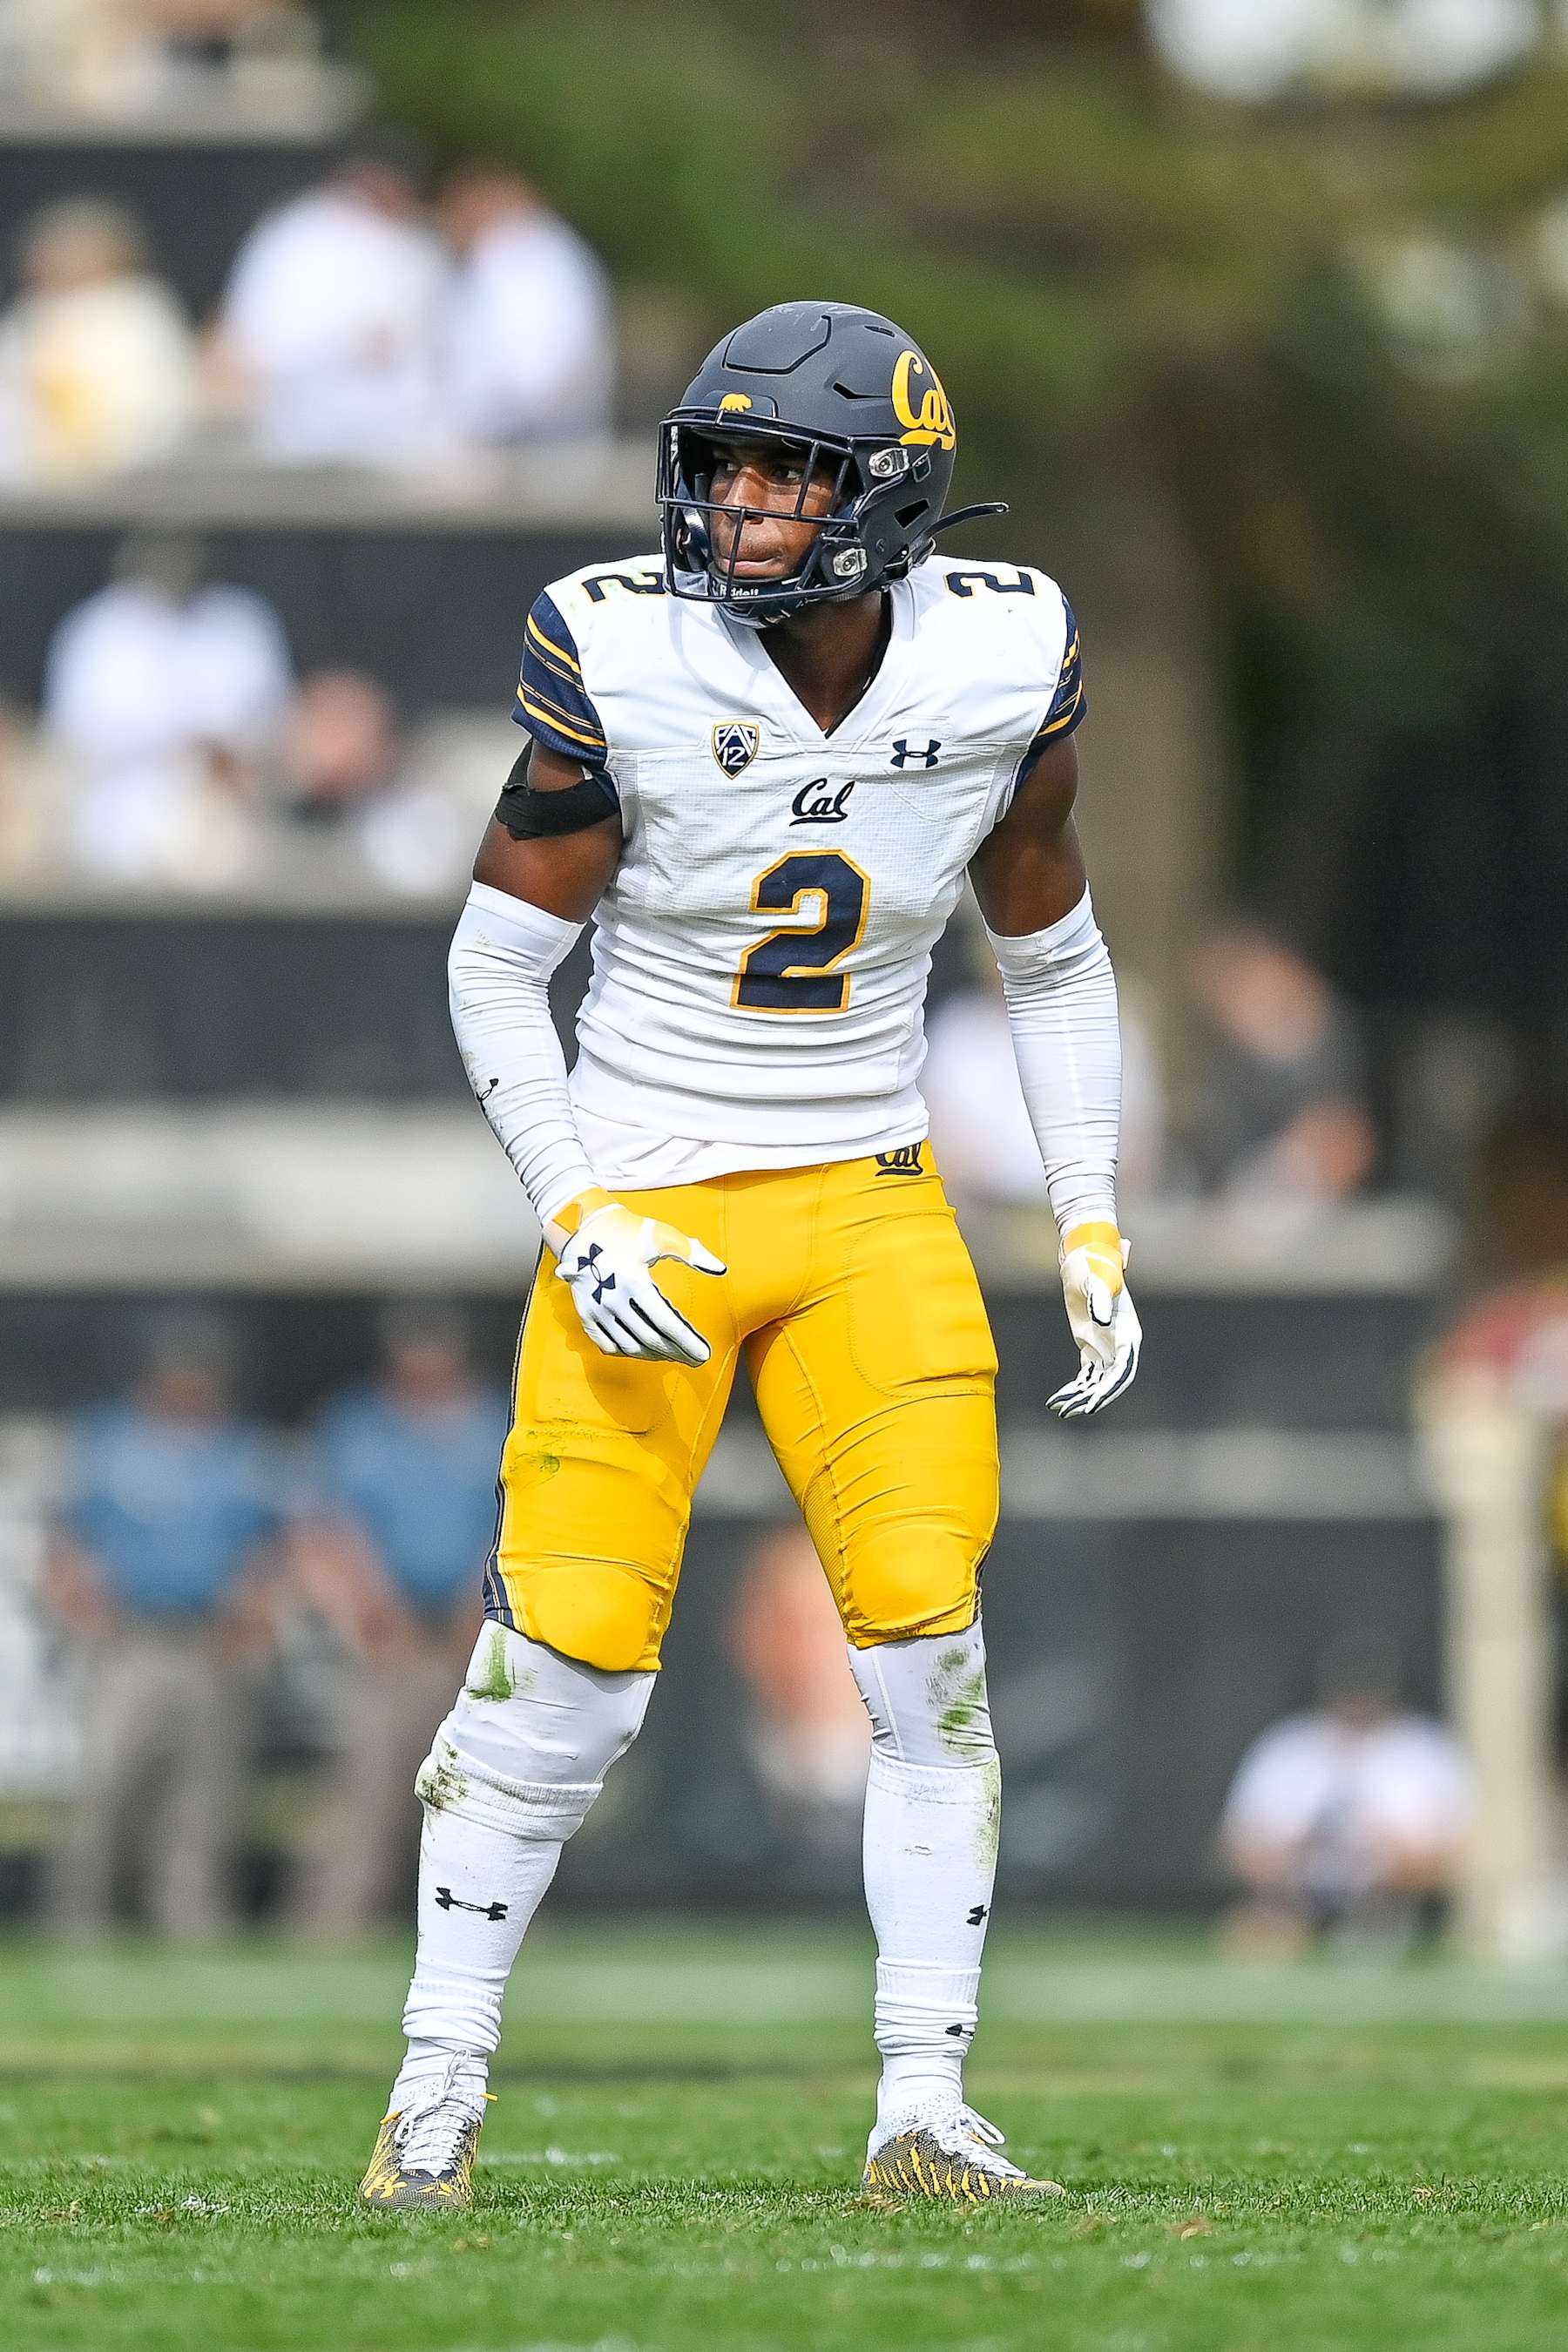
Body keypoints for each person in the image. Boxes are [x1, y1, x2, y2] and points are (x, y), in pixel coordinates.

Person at [360, 300, 1141, 2213]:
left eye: (790, 472)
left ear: (890, 492)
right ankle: (433, 2091)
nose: (744, 508)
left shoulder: (1007, 649)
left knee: (931, 1660)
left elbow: (1049, 948)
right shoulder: (618, 644)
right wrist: (575, 1202)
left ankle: (921, 2110)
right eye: (721, 466)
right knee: (565, 1675)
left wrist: (1093, 1201)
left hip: (871, 1194)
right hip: (650, 1185)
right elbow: (492, 966)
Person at [45, 1315, 281, 1938]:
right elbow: (68, 1540)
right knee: (105, 1787)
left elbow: (268, 1547)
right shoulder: (109, 1441)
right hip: (132, 1640)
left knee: (204, 1802)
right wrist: (79, 1607)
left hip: (211, 1641)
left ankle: (190, 1927)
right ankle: (79, 1924)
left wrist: (256, 1612)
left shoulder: (237, 1451)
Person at [289, 1306, 510, 1936]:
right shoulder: (359, 1426)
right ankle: (328, 1930)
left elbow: (521, 1516)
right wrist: (366, 1605)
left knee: (491, 1791)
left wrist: (486, 1603)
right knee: (364, 1789)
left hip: (483, 1632)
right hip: (387, 1638)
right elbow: (328, 1528)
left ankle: (494, 1927)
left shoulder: (498, 1417)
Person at [41, 530, 293, 889]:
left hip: (222, 821)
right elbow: (70, 744)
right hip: (116, 820)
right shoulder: (99, 626)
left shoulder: (240, 621)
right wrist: (171, 743)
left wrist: (218, 753)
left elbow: (272, 737)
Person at [1220, 1639, 1477, 1955]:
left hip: (1396, 1903)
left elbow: (1461, 1852)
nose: (1358, 1702)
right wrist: (1289, 1860)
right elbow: (1237, 1844)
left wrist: (1386, 1854)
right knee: (1252, 1944)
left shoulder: (1424, 1750)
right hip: (1301, 1897)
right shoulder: (1290, 1746)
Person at [214, 127, 450, 466]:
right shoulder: (300, 237)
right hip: (309, 445)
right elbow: (258, 341)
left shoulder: (416, 245)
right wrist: (351, 341)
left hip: (403, 448)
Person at [0, 198, 197, 483]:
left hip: (133, 479)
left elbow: (159, 400)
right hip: (24, 482)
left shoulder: (138, 309)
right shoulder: (26, 317)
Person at [438, 164, 613, 449]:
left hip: (527, 439)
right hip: (532, 433)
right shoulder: (552, 249)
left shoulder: (517, 253)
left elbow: (537, 368)